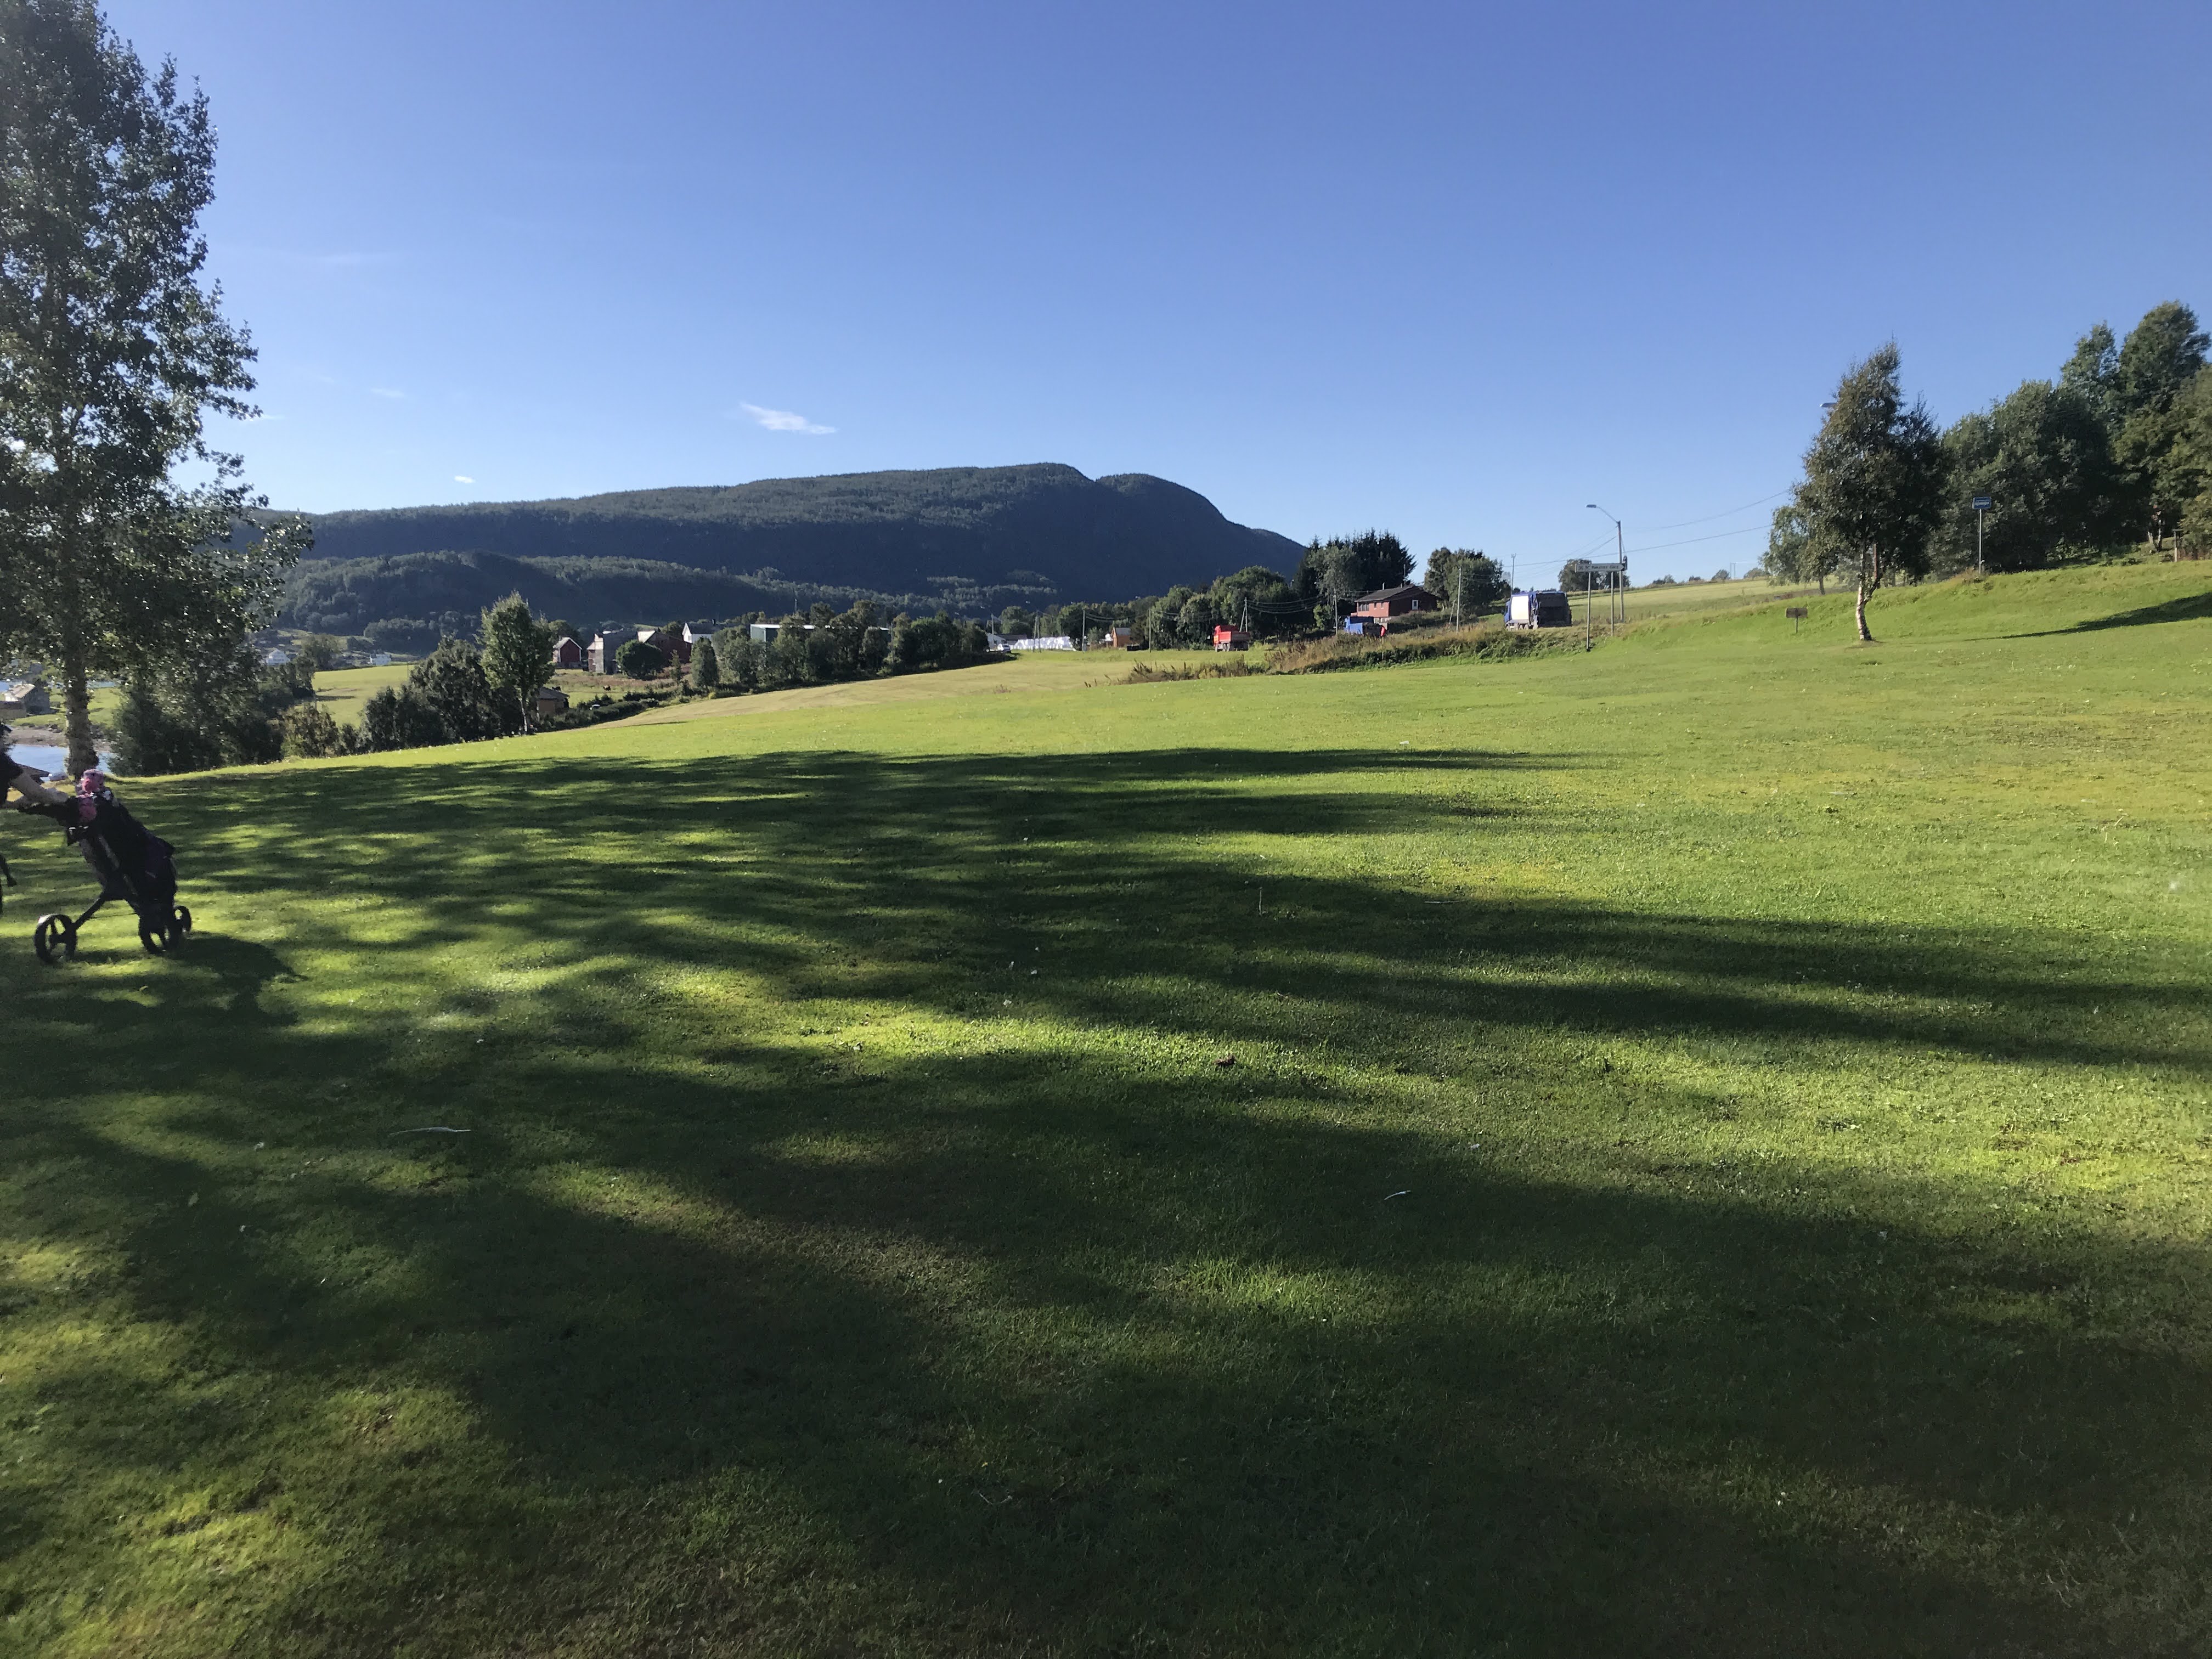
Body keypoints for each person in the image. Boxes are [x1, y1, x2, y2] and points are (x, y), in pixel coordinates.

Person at [0, 723, 70, 809]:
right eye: (2, 738)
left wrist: (16, 804)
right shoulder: (4, 762)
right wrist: (60, 797)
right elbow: (36, 793)